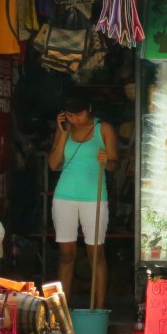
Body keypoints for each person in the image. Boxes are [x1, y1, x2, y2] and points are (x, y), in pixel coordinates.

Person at [48, 91, 118, 308]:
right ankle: (62, 309)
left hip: (94, 198)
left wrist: (107, 160)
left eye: (78, 115)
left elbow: (114, 164)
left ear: (88, 110)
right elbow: (53, 164)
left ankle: (97, 309)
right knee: (66, 255)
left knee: (95, 254)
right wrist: (61, 134)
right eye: (69, 115)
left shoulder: (103, 129)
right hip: (64, 196)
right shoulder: (64, 131)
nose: (74, 119)